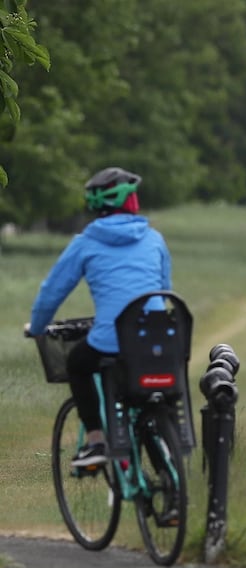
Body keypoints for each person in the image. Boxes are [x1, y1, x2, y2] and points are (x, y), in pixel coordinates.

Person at [27, 167, 172, 468]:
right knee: (144, 396)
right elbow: (164, 291)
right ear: (131, 202)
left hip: (112, 338)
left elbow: (52, 291)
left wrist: (38, 328)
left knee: (77, 364)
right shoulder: (155, 240)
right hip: (156, 339)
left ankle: (96, 441)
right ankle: (169, 481)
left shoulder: (86, 242)